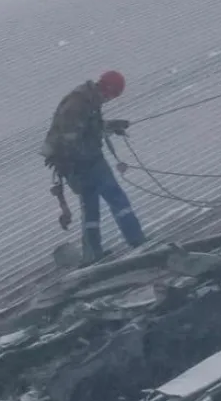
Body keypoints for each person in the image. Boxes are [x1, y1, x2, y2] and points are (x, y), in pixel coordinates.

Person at [40, 70, 146, 265]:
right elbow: (71, 136)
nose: (110, 99)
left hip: (78, 165)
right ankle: (138, 241)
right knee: (117, 198)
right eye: (112, 95)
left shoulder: (87, 100)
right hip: (86, 162)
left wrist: (112, 125)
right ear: (107, 89)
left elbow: (88, 127)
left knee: (90, 209)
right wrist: (81, 159)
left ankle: (93, 254)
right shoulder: (79, 104)